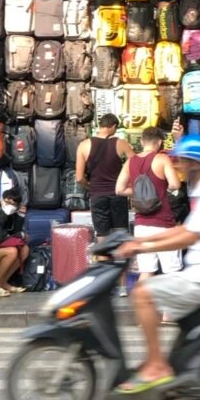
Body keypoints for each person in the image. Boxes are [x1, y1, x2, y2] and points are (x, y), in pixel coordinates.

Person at [114, 134, 200, 393]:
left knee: (143, 293)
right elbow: (184, 230)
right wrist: (142, 243)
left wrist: (144, 245)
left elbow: (189, 236)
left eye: (182, 160)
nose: (176, 164)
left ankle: (157, 366)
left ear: (196, 163)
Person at [76, 114, 133, 296]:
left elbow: (79, 177)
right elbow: (135, 164)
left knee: (102, 240)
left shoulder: (84, 145)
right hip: (117, 195)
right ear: (114, 126)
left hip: (97, 196)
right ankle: (123, 286)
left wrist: (90, 186)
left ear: (100, 125)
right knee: (120, 239)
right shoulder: (121, 143)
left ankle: (104, 286)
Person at [115, 126, 182, 280]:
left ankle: (139, 304)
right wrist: (160, 189)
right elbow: (175, 185)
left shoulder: (130, 162)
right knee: (172, 272)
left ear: (142, 141)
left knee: (146, 271)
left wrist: (140, 192)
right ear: (159, 142)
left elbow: (119, 189)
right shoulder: (162, 159)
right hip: (163, 222)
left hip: (141, 224)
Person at [0, 187, 29, 297]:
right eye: (8, 201)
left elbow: (15, 231)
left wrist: (20, 216)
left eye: (13, 203)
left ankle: (3, 282)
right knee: (12, 252)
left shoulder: (10, 214)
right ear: (3, 199)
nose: (10, 205)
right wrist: (17, 236)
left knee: (25, 249)